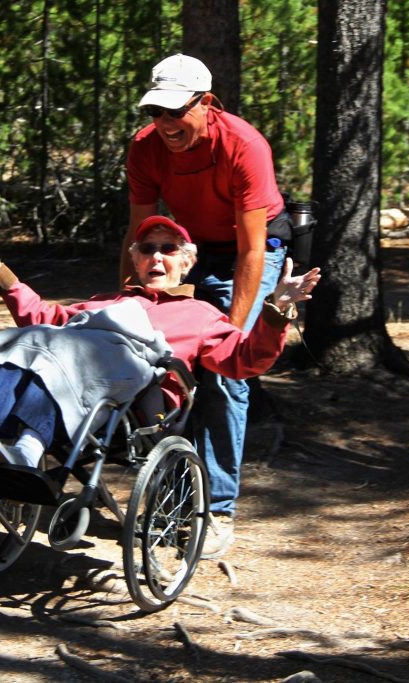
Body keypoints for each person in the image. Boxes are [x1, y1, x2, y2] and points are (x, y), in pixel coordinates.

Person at [0, 217, 320, 492]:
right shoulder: (106, 301)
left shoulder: (203, 315)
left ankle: (30, 448)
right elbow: (48, 316)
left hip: (135, 404)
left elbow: (245, 360)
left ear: (188, 261)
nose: (156, 256)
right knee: (35, 340)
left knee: (61, 348)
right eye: (147, 248)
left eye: (169, 248)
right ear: (135, 260)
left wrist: (275, 309)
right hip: (74, 370)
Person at [121, 54, 293, 557]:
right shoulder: (146, 147)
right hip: (186, 247)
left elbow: (252, 248)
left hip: (249, 247)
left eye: (177, 112)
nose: (166, 124)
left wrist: (232, 336)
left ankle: (215, 512)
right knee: (151, 359)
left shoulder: (244, 145)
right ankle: (167, 490)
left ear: (206, 103)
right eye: (157, 112)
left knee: (223, 373)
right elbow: (139, 233)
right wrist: (131, 301)